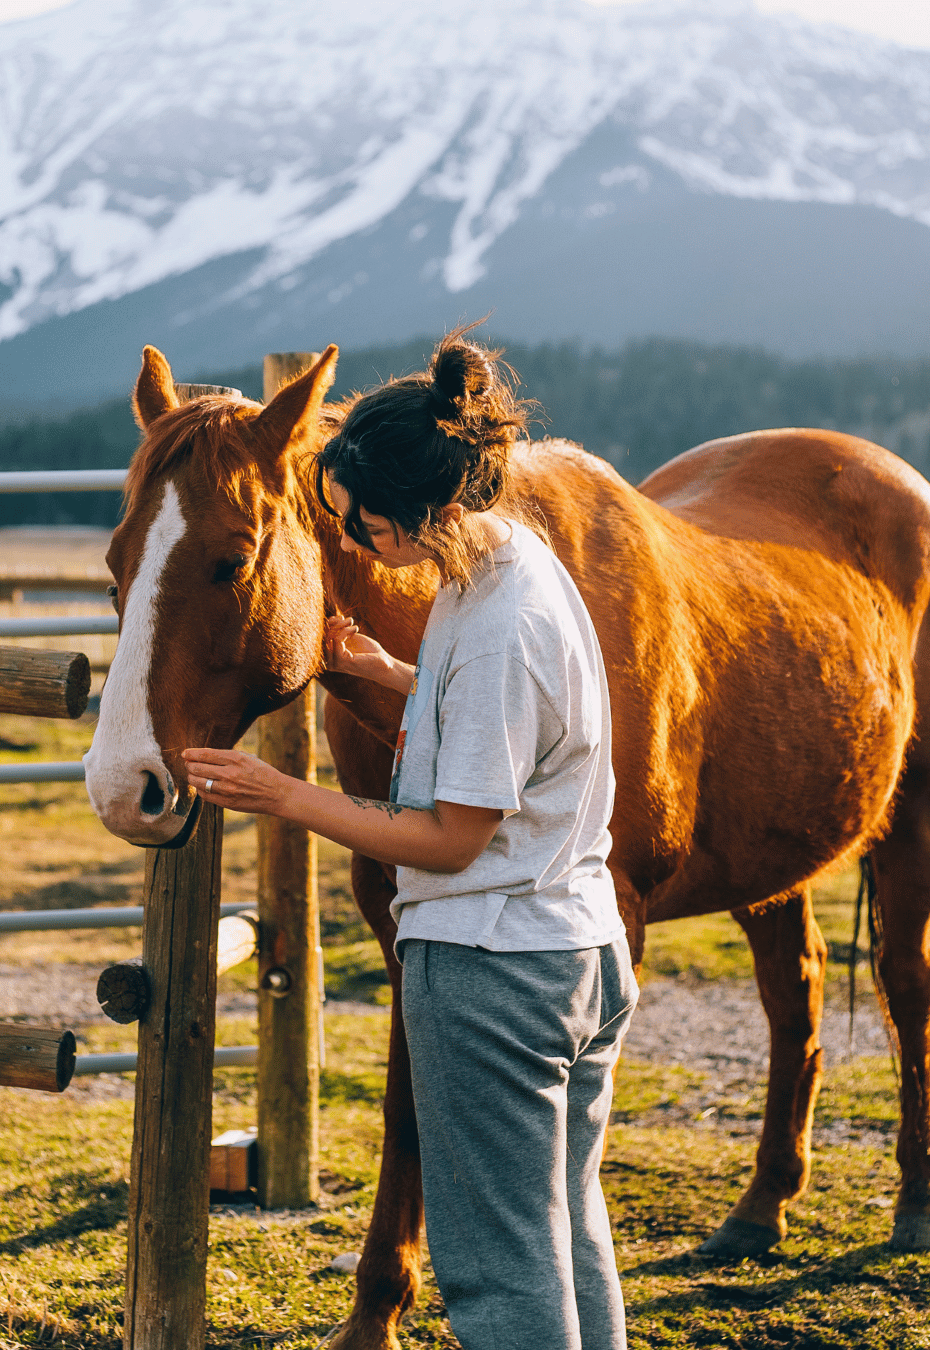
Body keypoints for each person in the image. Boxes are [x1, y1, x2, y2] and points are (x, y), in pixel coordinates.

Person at [182, 331, 638, 1350]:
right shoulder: (513, 565)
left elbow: (448, 839)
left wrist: (282, 794)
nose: (349, 536)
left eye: (359, 518)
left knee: (501, 1267)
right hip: (572, 950)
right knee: (565, 1230)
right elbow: (506, 722)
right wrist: (390, 674)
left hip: (494, 971)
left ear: (418, 510)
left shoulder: (497, 624)